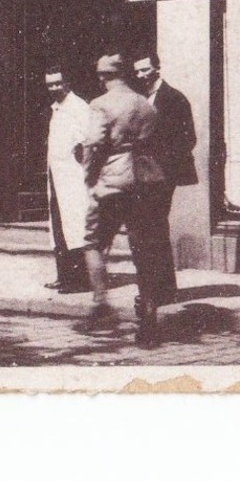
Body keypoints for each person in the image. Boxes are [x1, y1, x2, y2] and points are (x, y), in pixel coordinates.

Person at [79, 55, 166, 346]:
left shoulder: (100, 104)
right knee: (145, 251)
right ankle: (150, 317)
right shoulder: (147, 104)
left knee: (93, 241)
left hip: (113, 182)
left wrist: (89, 178)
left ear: (102, 76)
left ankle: (100, 304)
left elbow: (93, 143)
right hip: (147, 181)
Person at [133, 52, 198, 306]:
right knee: (150, 228)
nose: (140, 75)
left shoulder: (174, 98)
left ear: (157, 69)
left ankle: (161, 291)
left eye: (145, 70)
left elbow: (187, 138)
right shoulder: (141, 99)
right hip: (143, 174)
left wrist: (163, 165)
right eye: (137, 71)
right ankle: (157, 290)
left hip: (163, 174)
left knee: (155, 226)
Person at [43, 68, 92, 293]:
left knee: (74, 226)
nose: (54, 88)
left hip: (73, 178)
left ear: (67, 82)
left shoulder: (79, 107)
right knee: (59, 228)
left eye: (58, 83)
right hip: (57, 177)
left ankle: (79, 280)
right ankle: (63, 276)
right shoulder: (57, 108)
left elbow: (87, 141)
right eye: (50, 84)